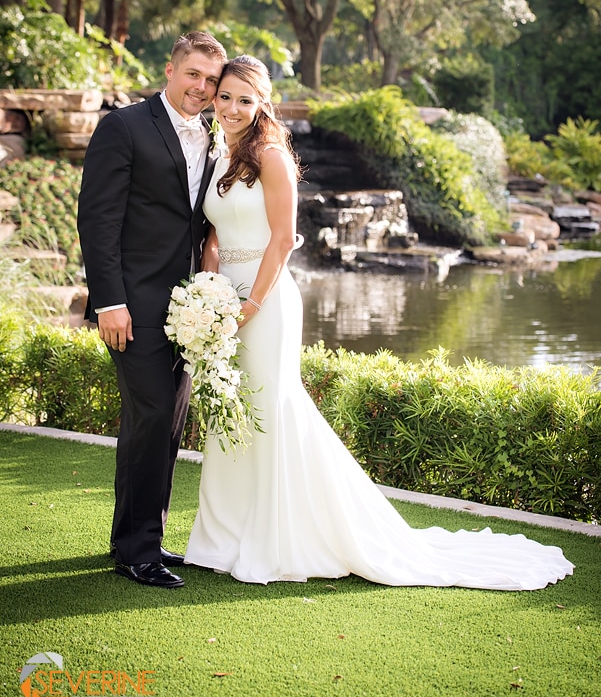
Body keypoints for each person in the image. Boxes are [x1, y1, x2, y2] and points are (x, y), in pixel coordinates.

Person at [184, 54, 574, 590]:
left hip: (267, 301)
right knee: (231, 412)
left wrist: (248, 304)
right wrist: (210, 289)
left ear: (263, 103)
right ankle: (221, 539)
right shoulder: (218, 151)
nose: (230, 108)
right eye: (224, 96)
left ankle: (279, 539)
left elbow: (281, 241)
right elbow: (212, 232)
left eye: (243, 100)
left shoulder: (272, 157)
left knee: (270, 409)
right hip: (223, 301)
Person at [77, 31, 227, 589]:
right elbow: (97, 220)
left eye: (211, 81)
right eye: (194, 75)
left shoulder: (214, 135)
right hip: (132, 306)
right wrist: (109, 302)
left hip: (190, 310)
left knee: (166, 424)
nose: (202, 88)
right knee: (153, 415)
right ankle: (138, 552)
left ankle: (142, 538)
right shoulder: (124, 126)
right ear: (170, 70)